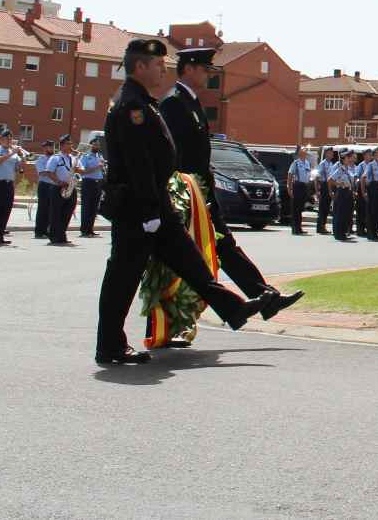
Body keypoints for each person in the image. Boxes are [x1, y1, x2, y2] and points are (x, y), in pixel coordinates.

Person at [93, 39, 269, 365]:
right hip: (139, 209)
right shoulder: (132, 107)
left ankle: (233, 308)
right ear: (141, 66)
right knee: (122, 276)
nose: (163, 70)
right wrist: (149, 212)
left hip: (157, 205)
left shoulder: (145, 102)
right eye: (158, 64)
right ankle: (109, 345)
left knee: (191, 262)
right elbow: (138, 164)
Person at [159, 47, 303, 318]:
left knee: (225, 245)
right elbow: (175, 153)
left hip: (202, 191)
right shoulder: (173, 103)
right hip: (187, 192)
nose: (207, 75)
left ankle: (264, 296)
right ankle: (172, 321)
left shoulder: (190, 101)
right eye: (204, 69)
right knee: (183, 258)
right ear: (188, 68)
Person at [46, 135, 77, 246]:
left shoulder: (73, 159)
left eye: (71, 144)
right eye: (69, 144)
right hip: (58, 187)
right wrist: (59, 182)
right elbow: (49, 172)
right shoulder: (55, 158)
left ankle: (62, 234)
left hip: (70, 187)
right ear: (62, 145)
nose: (71, 146)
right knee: (56, 213)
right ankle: (54, 236)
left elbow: (81, 171)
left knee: (68, 212)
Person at [76, 137, 107, 237]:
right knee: (87, 207)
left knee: (94, 207)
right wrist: (97, 167)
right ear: (91, 145)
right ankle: (84, 230)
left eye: (98, 145)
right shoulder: (86, 156)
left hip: (98, 183)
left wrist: (103, 168)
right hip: (88, 182)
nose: (97, 146)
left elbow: (101, 168)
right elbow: (83, 171)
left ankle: (90, 229)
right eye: (95, 144)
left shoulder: (99, 156)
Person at [287, 146, 313, 235]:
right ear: (300, 153)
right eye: (304, 151)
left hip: (304, 186)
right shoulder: (296, 163)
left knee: (301, 208)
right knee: (295, 208)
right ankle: (295, 228)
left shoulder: (307, 163)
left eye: (306, 152)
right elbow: (290, 174)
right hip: (297, 186)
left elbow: (309, 175)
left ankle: (299, 227)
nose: (306, 153)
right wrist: (289, 187)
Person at [330, 150, 356, 241]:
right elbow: (330, 180)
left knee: (346, 214)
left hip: (348, 193)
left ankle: (343, 233)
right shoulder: (340, 169)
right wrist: (338, 184)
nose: (350, 160)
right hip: (342, 192)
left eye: (350, 158)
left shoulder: (348, 169)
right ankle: (338, 234)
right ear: (343, 159)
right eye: (348, 158)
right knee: (340, 214)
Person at [33, 139, 57, 238]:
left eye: (52, 147)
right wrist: (52, 171)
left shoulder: (56, 159)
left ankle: (47, 230)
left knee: (51, 209)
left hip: (54, 185)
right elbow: (42, 172)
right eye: (49, 147)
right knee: (43, 209)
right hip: (44, 185)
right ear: (44, 148)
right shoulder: (41, 160)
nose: (52, 149)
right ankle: (39, 231)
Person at [315, 148, 335, 235]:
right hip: (324, 186)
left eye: (332, 153)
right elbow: (317, 177)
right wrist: (317, 190)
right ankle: (320, 227)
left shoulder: (331, 164)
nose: (332, 155)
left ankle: (323, 226)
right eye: (330, 153)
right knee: (322, 208)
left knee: (326, 208)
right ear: (326, 154)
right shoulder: (323, 164)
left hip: (329, 186)